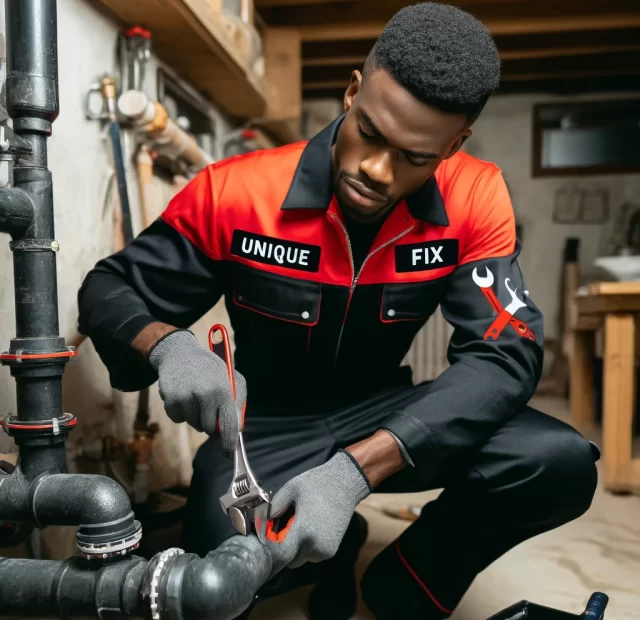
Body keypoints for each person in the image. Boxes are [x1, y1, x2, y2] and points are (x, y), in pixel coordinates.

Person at [77, 4, 599, 618]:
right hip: (263, 428)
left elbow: (503, 354)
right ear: (352, 91)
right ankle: (334, 545)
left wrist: (355, 471)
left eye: (415, 157)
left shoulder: (475, 195)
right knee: (213, 589)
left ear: (454, 146)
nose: (376, 171)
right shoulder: (238, 191)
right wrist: (166, 344)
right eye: (371, 134)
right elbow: (108, 288)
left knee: (557, 462)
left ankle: (406, 583)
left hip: (388, 411)